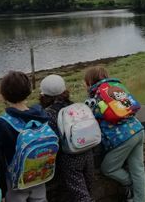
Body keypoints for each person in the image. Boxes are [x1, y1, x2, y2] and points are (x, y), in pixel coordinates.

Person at [84, 66, 145, 202]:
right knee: (138, 169)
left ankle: (128, 182)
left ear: (90, 81)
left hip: (123, 138)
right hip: (138, 129)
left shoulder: (96, 96)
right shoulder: (116, 87)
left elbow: (93, 115)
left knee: (108, 168)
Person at [0, 71, 51, 201]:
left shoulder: (2, 123)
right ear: (28, 91)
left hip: (16, 181)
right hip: (40, 173)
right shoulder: (41, 115)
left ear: (4, 95)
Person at [39, 74, 95, 202]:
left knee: (81, 196)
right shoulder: (73, 106)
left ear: (44, 96)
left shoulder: (48, 114)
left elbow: (53, 141)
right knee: (89, 190)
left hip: (70, 158)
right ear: (64, 91)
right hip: (87, 151)